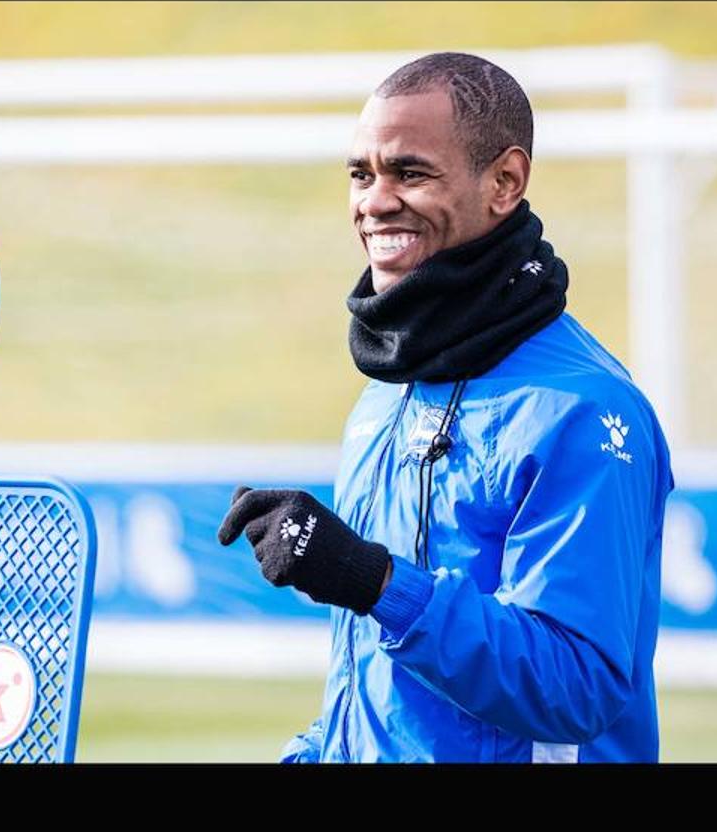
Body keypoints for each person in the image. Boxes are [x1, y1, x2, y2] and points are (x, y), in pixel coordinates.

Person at [216, 52, 675, 763]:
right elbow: (386, 688)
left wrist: (373, 581)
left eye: (410, 172)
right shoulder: (385, 398)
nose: (373, 201)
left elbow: (578, 688)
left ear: (505, 182)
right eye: (361, 175)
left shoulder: (584, 411)